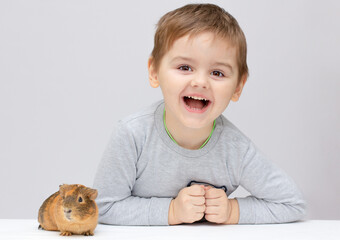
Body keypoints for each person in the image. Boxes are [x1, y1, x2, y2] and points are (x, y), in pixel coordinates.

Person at [93, 3, 306, 226]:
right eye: (185, 67)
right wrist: (172, 211)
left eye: (217, 72)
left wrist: (233, 211)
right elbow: (105, 207)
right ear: (154, 71)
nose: (200, 82)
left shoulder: (236, 150)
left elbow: (292, 203)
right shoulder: (132, 135)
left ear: (238, 87)